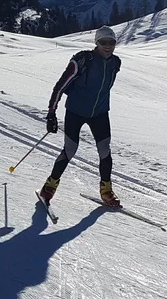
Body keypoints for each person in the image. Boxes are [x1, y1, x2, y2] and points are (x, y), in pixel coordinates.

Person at [38, 26, 123, 207]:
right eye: (103, 42)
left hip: (99, 113)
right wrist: (51, 113)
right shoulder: (82, 60)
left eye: (111, 42)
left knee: (105, 150)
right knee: (70, 150)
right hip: (75, 111)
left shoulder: (115, 63)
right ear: (96, 43)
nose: (108, 46)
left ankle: (106, 191)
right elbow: (60, 86)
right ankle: (49, 187)